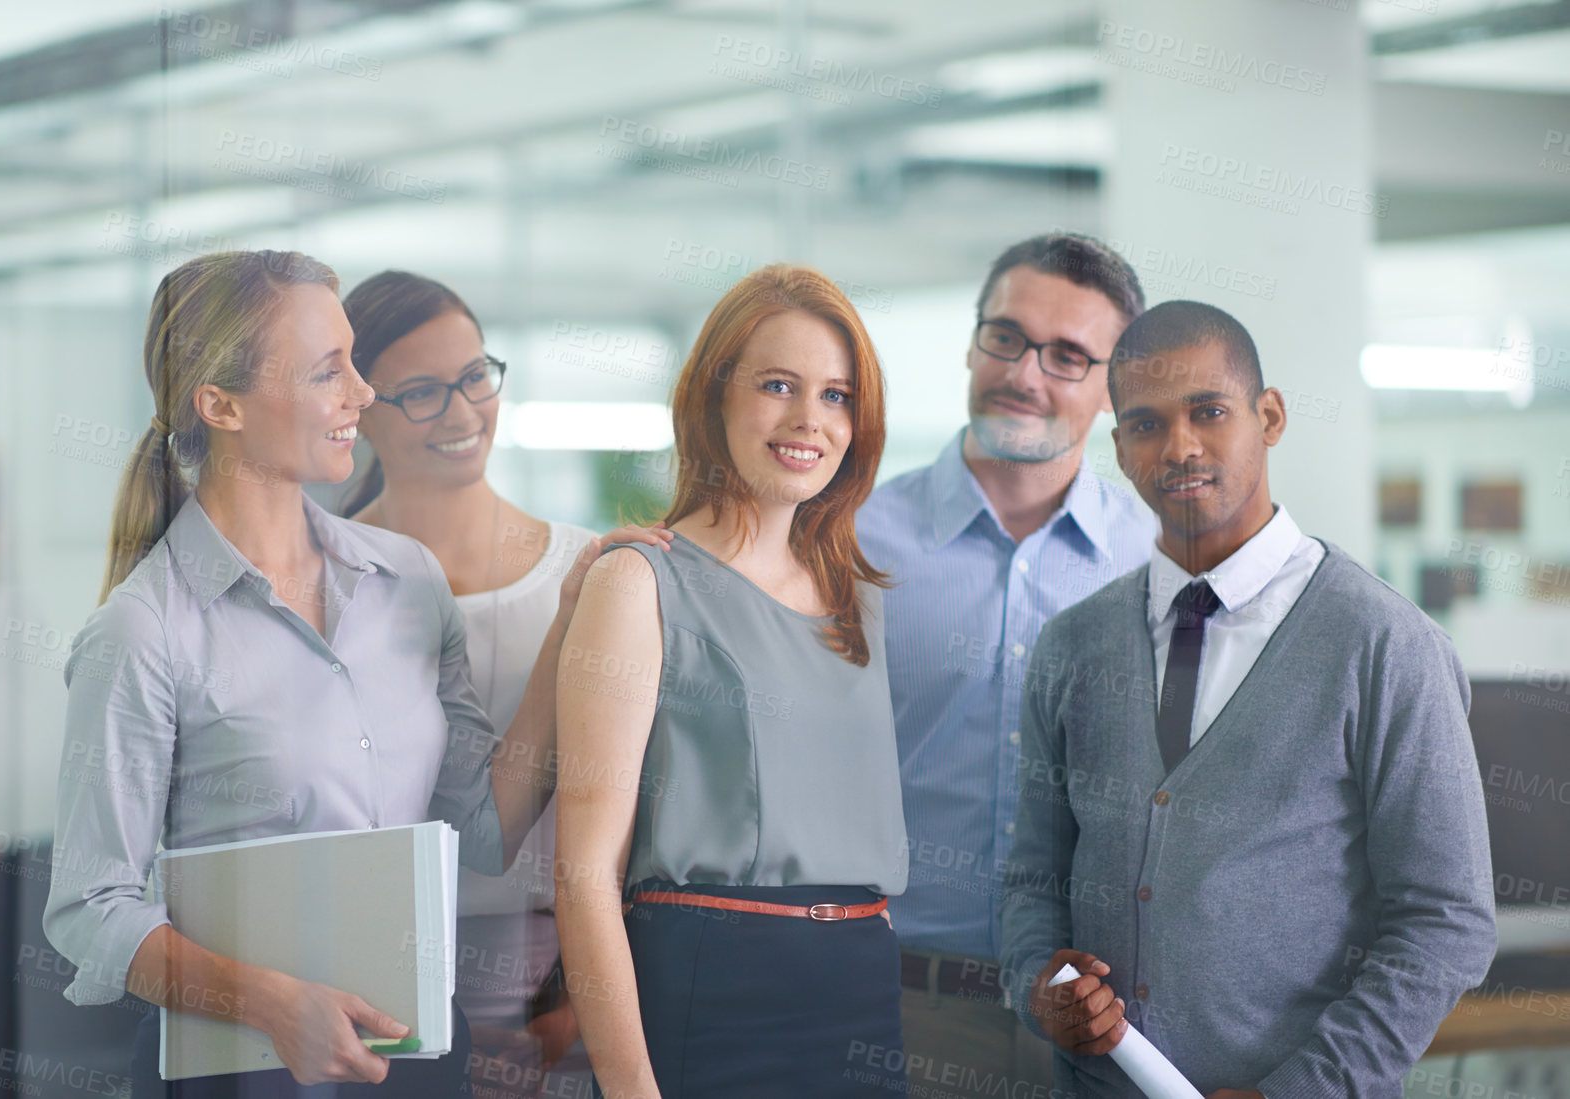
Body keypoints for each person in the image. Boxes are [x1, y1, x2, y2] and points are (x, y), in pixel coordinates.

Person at [42, 250, 666, 1098]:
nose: (362, 395)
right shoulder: (143, 630)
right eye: (327, 371)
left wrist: (572, 616)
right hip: (246, 1068)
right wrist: (269, 1002)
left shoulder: (407, 580)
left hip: (414, 1058)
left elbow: (484, 825)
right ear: (219, 403)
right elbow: (90, 905)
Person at [999, 300, 1499, 1096]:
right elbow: (1032, 879)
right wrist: (1037, 989)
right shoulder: (1072, 647)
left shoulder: (1384, 645)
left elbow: (1447, 920)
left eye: (1208, 411)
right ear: (1120, 447)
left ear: (1268, 416)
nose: (1180, 446)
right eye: (1145, 424)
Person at [554, 264, 909, 1099]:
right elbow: (581, 875)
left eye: (836, 395)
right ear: (713, 396)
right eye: (777, 385)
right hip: (712, 998)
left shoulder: (858, 600)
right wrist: (631, 1090)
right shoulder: (640, 582)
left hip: (859, 996)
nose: (807, 420)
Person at [854, 232, 1154, 1094]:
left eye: (1067, 356)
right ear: (971, 341)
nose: (1025, 373)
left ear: (1112, 388)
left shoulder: (1158, 563)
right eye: (1006, 337)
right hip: (906, 1009)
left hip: (1112, 1020)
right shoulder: (851, 542)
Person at [336, 270, 597, 1097]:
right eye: (419, 392)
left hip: (567, 981)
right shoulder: (318, 580)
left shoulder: (588, 569)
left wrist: (578, 1012)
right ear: (355, 405)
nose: (460, 412)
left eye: (475, 376)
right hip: (372, 987)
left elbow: (643, 809)